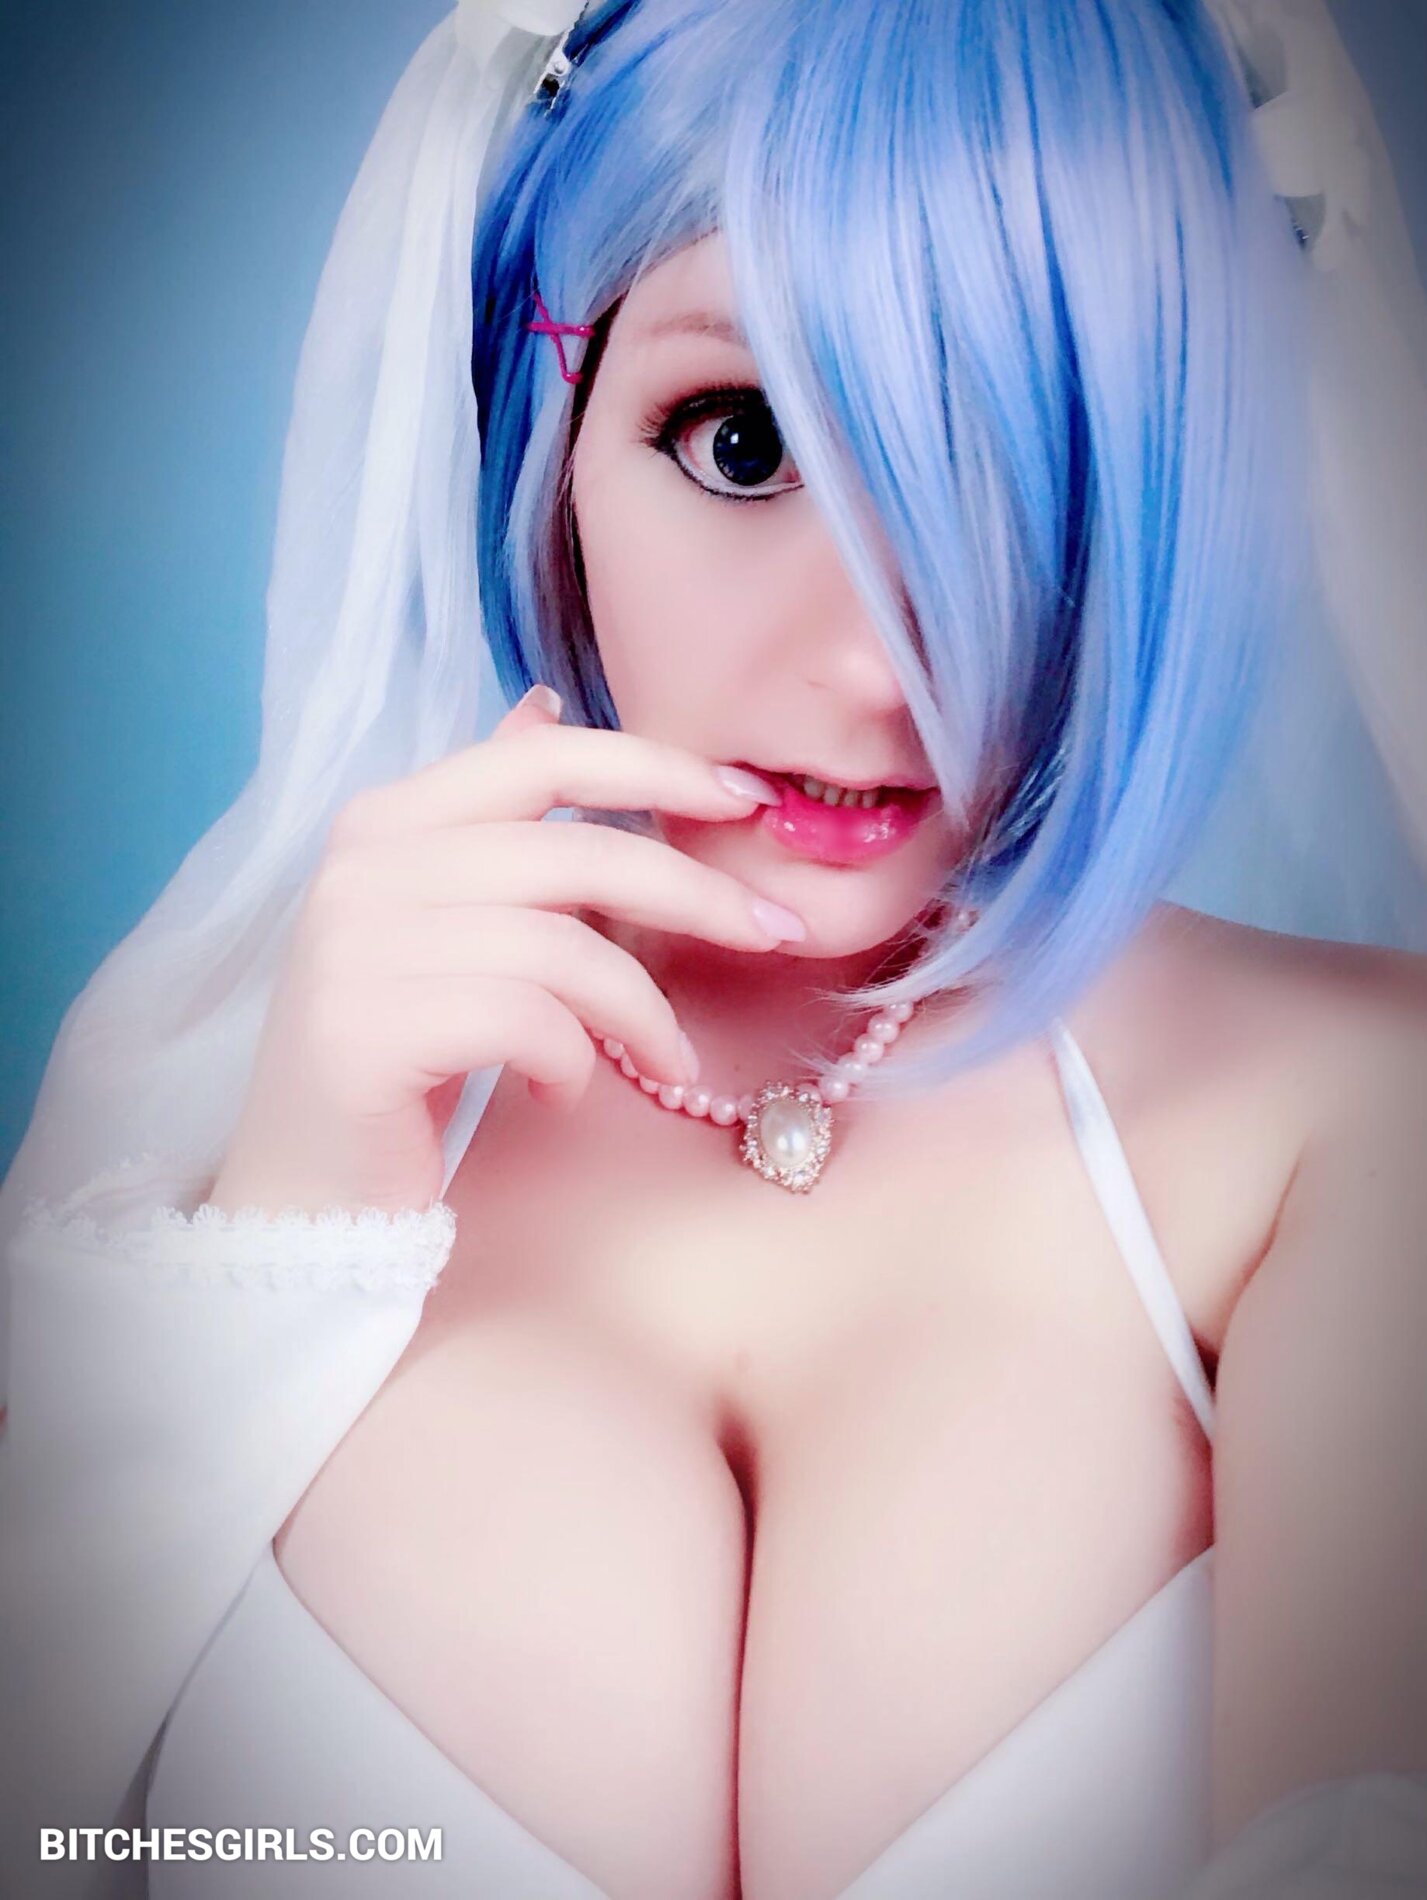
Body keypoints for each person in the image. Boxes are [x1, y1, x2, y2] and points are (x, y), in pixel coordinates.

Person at [1, 0, 1425, 1895]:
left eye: (1022, 470)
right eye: (744, 441)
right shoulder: (234, 1096)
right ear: (551, 422)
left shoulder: (1360, 1125)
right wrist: (279, 1248)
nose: (873, 660)